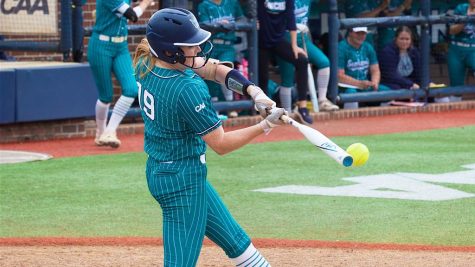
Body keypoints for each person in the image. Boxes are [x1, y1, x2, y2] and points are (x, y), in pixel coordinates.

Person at [133, 8, 284, 266]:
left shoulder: (148, 63)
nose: (197, 50)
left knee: (237, 242)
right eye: (190, 46)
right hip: (182, 182)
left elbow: (215, 70)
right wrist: (265, 125)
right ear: (171, 51)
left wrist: (254, 91)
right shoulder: (186, 89)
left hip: (165, 171)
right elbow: (221, 144)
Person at [87, 0, 154, 148]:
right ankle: (101, 132)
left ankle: (110, 132)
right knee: (106, 96)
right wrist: (145, 4)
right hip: (100, 45)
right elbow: (132, 15)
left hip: (121, 47)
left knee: (132, 89)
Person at [275, 0, 339, 112]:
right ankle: (287, 111)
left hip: (303, 38)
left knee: (324, 62)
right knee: (287, 79)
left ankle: (322, 100)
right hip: (285, 39)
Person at [258, 0, 313, 124]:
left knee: (302, 61)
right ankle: (264, 111)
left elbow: (291, 19)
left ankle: (302, 107)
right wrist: (253, 21)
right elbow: (253, 11)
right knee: (263, 77)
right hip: (260, 41)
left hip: (278, 39)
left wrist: (294, 45)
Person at [198, 0, 245, 118]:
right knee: (211, 75)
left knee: (226, 69)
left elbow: (242, 20)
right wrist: (219, 24)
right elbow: (203, 26)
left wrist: (233, 24)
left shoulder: (232, 3)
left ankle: (230, 106)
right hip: (211, 45)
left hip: (228, 44)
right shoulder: (204, 5)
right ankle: (215, 110)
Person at [338, 27, 390, 109]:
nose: (361, 36)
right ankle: (350, 120)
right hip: (346, 87)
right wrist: (359, 83)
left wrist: (375, 83)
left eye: (363, 33)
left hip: (364, 85)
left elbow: (375, 70)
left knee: (386, 91)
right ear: (350, 32)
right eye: (358, 33)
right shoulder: (341, 47)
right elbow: (339, 76)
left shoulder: (367, 46)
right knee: (351, 94)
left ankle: (383, 120)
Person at [446, 0, 475, 102]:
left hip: (473, 49)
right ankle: (454, 116)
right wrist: (466, 19)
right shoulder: (461, 8)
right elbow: (451, 30)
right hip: (456, 49)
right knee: (456, 88)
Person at [379, 26, 421, 90]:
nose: (404, 42)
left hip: (409, 82)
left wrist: (429, 83)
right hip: (392, 82)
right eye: (401, 39)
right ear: (396, 39)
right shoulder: (387, 52)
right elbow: (391, 76)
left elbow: (420, 72)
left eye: (407, 39)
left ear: (411, 40)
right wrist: (410, 84)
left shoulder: (414, 51)